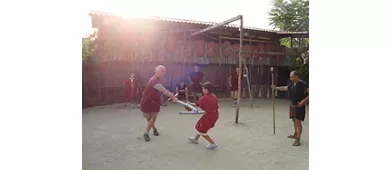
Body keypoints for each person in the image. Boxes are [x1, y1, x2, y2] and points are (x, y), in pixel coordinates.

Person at [140, 65, 178, 142]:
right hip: (147, 101)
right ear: (157, 72)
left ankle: (146, 133)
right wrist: (173, 97)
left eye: (165, 71)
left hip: (155, 102)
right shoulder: (154, 80)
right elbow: (164, 90)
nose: (164, 73)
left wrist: (171, 95)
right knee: (149, 118)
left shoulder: (159, 79)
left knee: (153, 117)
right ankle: (153, 128)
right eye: (162, 71)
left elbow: (160, 91)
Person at [271, 71, 309, 146]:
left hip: (299, 105)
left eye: (292, 77)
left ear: (296, 76)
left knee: (298, 122)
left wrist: (303, 101)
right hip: (293, 105)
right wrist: (276, 88)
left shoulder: (303, 85)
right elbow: (285, 88)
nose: (291, 78)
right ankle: (295, 134)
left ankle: (298, 139)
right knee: (294, 120)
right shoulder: (292, 84)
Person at [187, 82, 219, 149]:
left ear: (207, 90)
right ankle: (196, 139)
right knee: (200, 126)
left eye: (203, 89)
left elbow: (197, 104)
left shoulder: (204, 98)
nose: (202, 90)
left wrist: (189, 103)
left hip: (209, 116)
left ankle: (212, 143)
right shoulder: (214, 96)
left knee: (202, 130)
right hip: (214, 114)